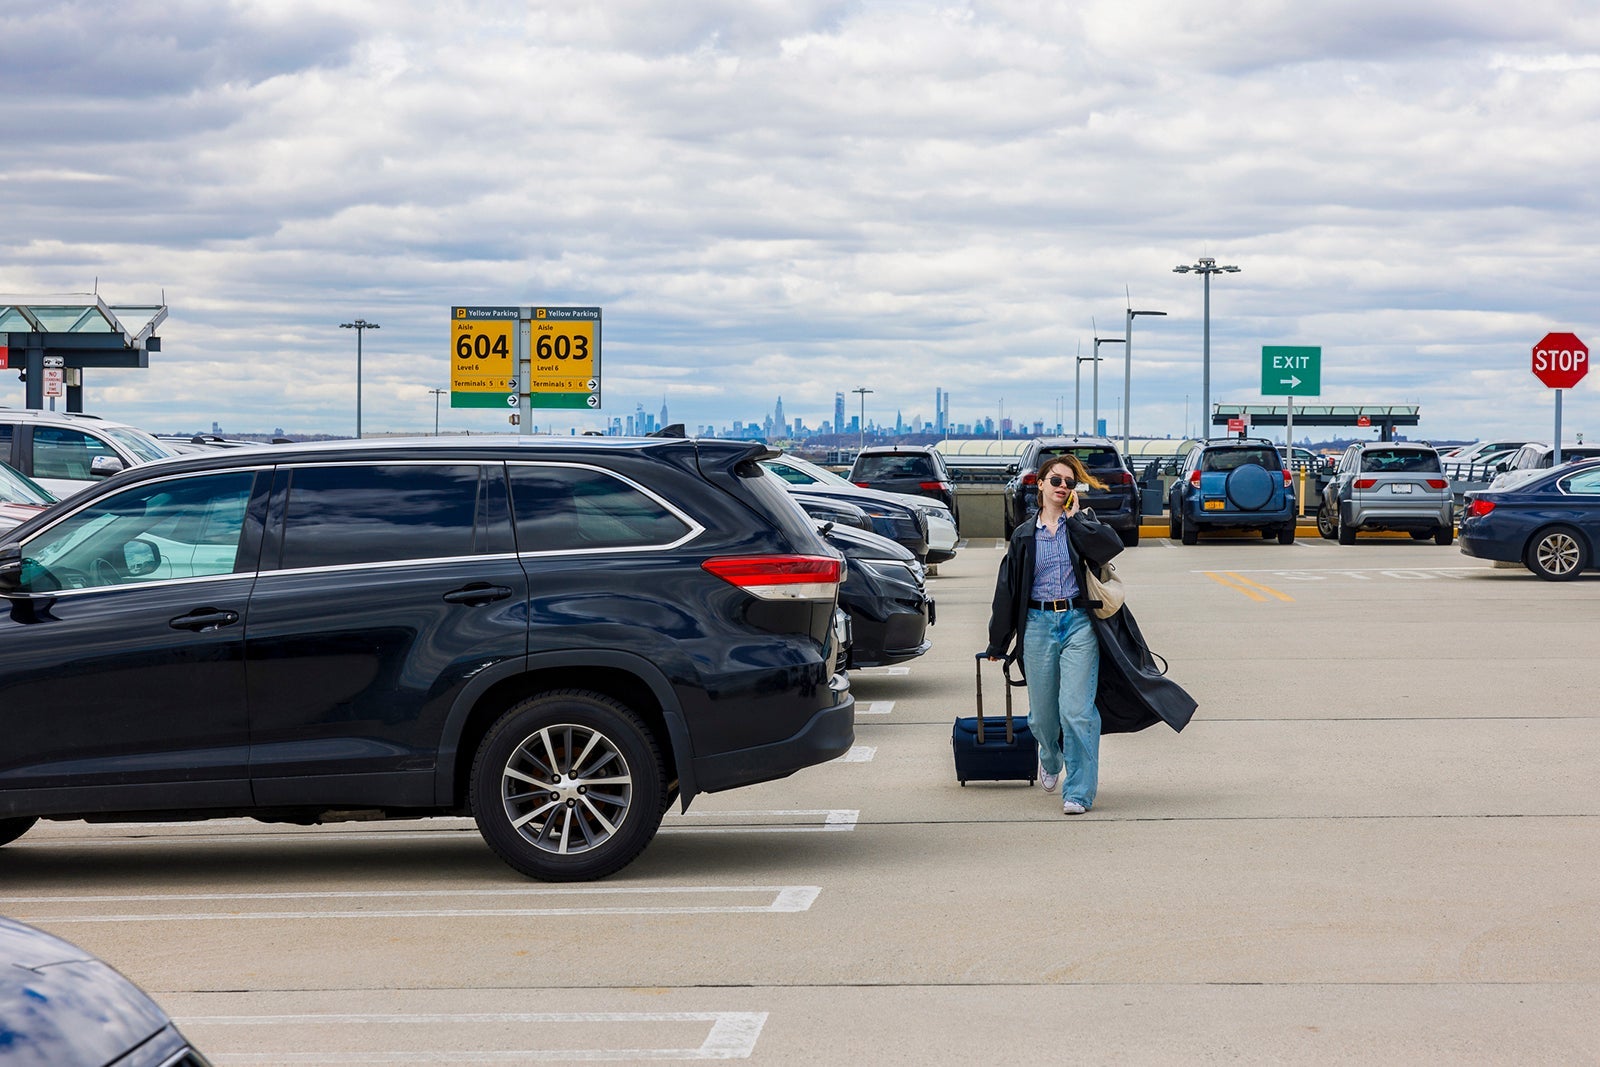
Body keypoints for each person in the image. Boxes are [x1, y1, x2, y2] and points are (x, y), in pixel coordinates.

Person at [985, 453, 1123, 815]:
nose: (1063, 487)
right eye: (1057, 481)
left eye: (1069, 483)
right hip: (1038, 625)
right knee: (1043, 718)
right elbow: (1008, 590)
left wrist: (1078, 521)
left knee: (1077, 712)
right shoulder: (1024, 536)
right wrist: (998, 641)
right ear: (1040, 485)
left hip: (1079, 622)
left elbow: (1110, 547)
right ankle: (1049, 754)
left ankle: (1078, 791)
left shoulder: (1082, 525)